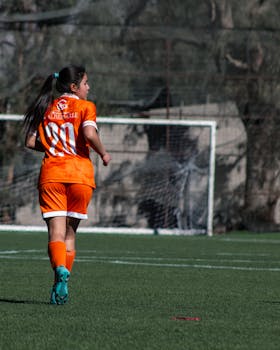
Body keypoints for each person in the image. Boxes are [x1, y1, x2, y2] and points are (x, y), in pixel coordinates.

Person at [24, 65, 111, 305]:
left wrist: (53, 147)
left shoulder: (44, 106)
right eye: (85, 83)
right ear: (74, 87)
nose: (88, 87)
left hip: (52, 175)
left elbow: (30, 141)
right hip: (80, 176)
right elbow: (90, 135)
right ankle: (61, 282)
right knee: (70, 234)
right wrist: (103, 153)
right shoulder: (86, 107)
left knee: (56, 233)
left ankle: (59, 271)